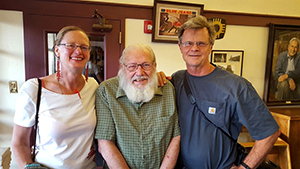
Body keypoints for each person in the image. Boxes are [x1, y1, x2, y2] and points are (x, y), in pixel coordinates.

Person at [158, 15, 280, 169]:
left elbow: (269, 133)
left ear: (211, 46)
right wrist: (155, 77)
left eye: (201, 43)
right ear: (180, 46)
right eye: (188, 43)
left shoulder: (236, 86)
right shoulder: (177, 79)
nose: (194, 48)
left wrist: (245, 167)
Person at [12, 26, 98, 169]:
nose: (78, 51)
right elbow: (20, 142)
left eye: (84, 47)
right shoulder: (34, 89)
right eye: (71, 45)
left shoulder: (93, 86)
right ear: (57, 50)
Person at [94, 43, 181, 169]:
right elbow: (105, 143)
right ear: (122, 68)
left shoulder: (167, 89)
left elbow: (176, 136)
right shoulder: (106, 91)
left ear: (154, 66)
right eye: (132, 66)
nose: (139, 72)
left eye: (146, 65)